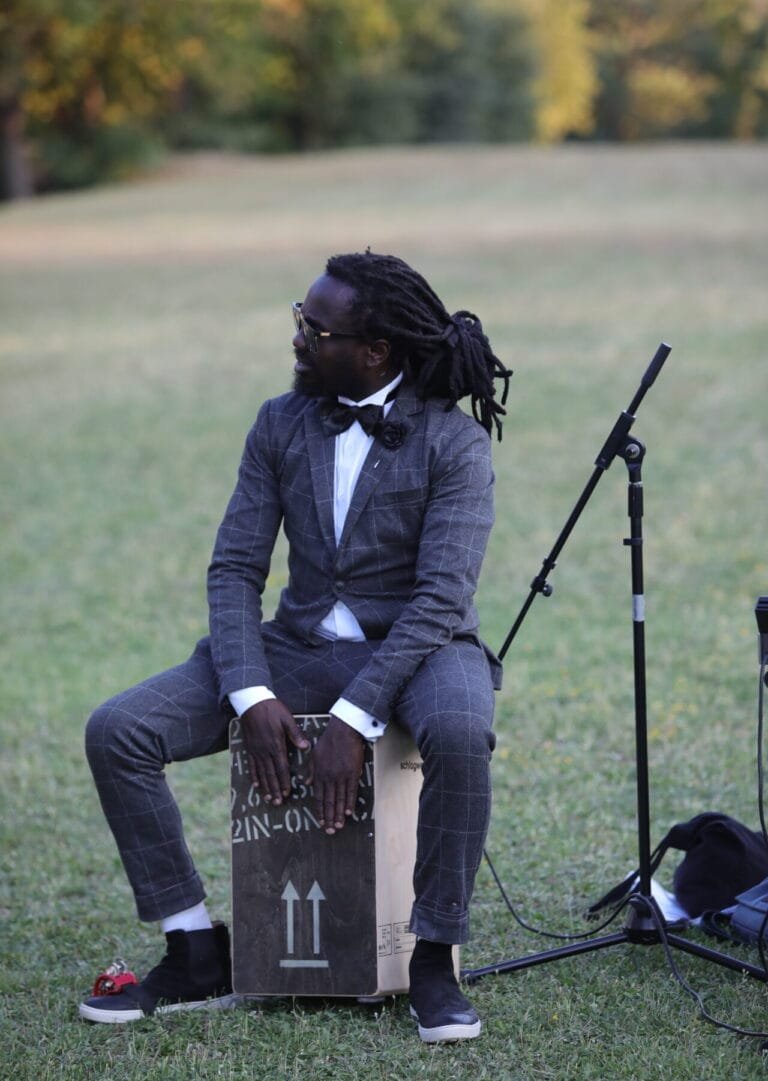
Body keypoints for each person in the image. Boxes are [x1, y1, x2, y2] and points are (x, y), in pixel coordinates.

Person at [79, 251, 510, 1043]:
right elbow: (235, 565)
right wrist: (250, 693)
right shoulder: (280, 421)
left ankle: (433, 956)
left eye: (314, 328)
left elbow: (441, 598)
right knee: (119, 729)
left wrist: (354, 716)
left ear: (374, 350)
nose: (299, 338)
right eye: (301, 320)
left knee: (460, 730)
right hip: (298, 640)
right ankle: (195, 944)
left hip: (422, 646)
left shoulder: (454, 444)